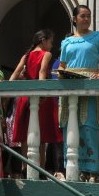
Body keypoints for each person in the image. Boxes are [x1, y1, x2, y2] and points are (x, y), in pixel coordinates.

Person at [58, 5, 99, 182]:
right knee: (70, 125)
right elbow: (63, 65)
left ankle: (94, 171)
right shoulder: (66, 42)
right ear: (74, 19)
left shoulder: (98, 37)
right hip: (70, 85)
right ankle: (76, 169)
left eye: (89, 16)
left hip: (90, 82)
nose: (86, 19)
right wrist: (60, 73)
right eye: (82, 16)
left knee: (89, 125)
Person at [10, 29, 60, 171]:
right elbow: (42, 72)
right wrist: (42, 92)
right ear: (43, 40)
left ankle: (25, 167)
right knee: (41, 137)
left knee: (26, 135)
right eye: (50, 42)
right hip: (40, 96)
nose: (51, 46)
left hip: (25, 97)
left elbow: (15, 73)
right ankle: (41, 169)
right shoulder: (46, 54)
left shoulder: (26, 55)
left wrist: (7, 87)